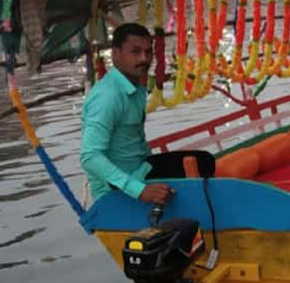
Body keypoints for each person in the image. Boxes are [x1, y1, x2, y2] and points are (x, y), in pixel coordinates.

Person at [80, 23, 214, 206]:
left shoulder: (135, 87)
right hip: (116, 188)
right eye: (135, 52)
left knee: (205, 162)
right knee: (203, 167)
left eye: (148, 52)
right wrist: (140, 190)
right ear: (116, 54)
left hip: (141, 167)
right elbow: (90, 157)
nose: (144, 58)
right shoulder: (107, 96)